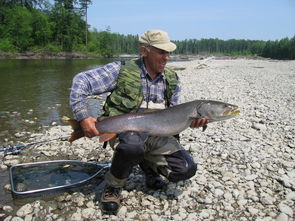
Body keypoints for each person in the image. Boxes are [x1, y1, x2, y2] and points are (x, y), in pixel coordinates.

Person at [69, 29, 208, 214]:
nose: (167, 57)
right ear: (144, 51)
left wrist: (192, 122)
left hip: (157, 135)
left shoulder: (172, 79)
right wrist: (84, 117)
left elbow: (173, 116)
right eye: (161, 52)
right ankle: (114, 185)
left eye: (168, 53)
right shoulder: (120, 70)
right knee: (132, 146)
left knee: (185, 169)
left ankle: (149, 166)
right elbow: (80, 82)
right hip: (125, 133)